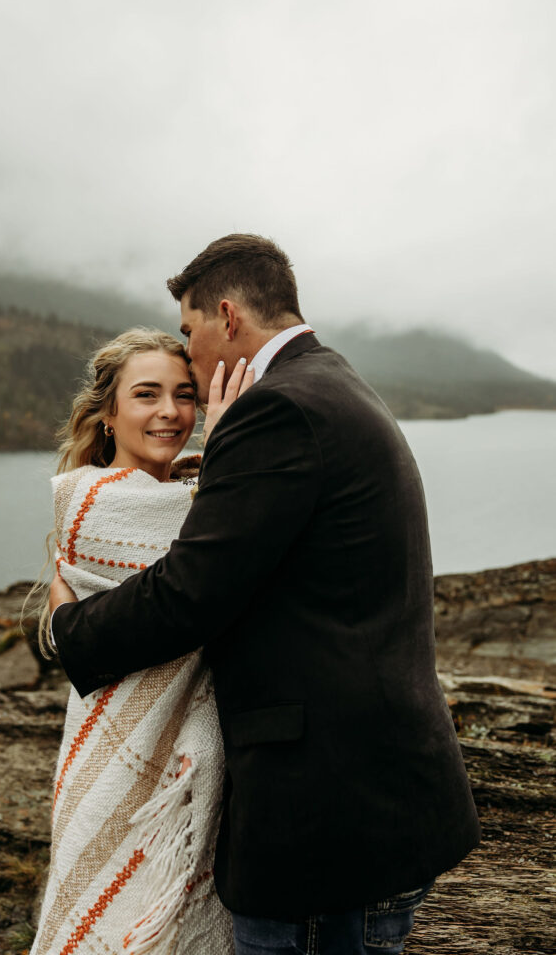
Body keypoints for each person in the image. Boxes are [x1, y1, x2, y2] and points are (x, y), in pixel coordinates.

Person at [50, 234, 481, 955]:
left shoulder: (278, 408)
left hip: (325, 822)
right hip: (375, 801)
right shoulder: (332, 383)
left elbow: (190, 592)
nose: (190, 359)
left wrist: (68, 630)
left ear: (226, 316)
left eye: (189, 337)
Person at [30, 328, 238, 955]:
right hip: (124, 755)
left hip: (160, 758)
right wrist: (229, 453)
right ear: (109, 414)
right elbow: (214, 565)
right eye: (146, 394)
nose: (171, 412)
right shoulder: (98, 500)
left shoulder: (181, 493)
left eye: (184, 395)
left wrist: (200, 476)